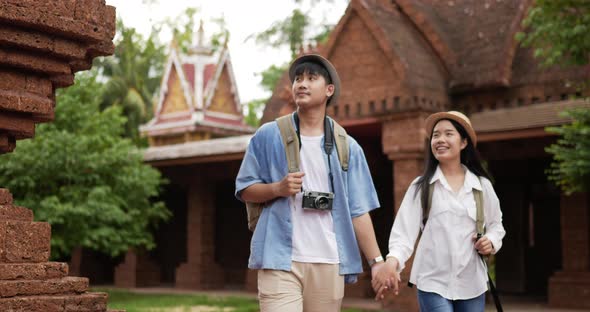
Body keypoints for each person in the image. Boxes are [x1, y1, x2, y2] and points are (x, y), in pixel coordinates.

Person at [235, 54, 385, 312]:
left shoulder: (348, 147)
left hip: (329, 259)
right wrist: (277, 189)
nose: (301, 84)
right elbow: (245, 188)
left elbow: (358, 210)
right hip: (279, 259)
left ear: (329, 90)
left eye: (311, 78)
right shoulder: (268, 136)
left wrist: (377, 261)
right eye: (298, 79)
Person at [372, 111, 506, 312]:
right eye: (436, 135)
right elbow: (404, 233)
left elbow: (496, 225)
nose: (440, 140)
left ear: (463, 142)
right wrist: (393, 261)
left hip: (472, 282)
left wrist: (491, 241)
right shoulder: (421, 187)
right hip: (432, 282)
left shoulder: (481, 186)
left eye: (448, 134)